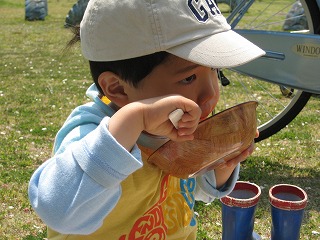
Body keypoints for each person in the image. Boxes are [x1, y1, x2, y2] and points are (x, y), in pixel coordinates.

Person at [28, 0, 265, 239]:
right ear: (118, 89)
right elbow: (59, 211)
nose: (211, 94)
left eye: (214, 70)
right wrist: (134, 120)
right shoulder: (90, 134)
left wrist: (220, 167)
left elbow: (193, 189)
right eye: (189, 78)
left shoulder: (180, 122)